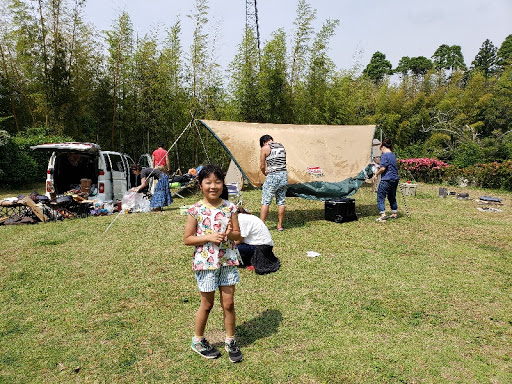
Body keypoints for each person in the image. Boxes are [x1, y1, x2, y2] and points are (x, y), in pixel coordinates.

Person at [183, 164, 243, 363]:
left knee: (229, 303)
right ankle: (198, 340)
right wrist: (209, 237)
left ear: (222, 184)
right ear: (200, 185)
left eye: (217, 182)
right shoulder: (195, 210)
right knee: (207, 304)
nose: (213, 186)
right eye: (208, 182)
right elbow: (187, 239)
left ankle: (230, 340)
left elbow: (238, 236)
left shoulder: (230, 207)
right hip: (205, 263)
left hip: (227, 260)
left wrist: (229, 234)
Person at [235, 207, 279, 274]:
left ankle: (251, 261)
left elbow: (238, 241)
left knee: (234, 248)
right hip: (261, 246)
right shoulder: (243, 217)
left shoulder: (241, 219)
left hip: (261, 247)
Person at [259, 135, 288, 231]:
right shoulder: (281, 146)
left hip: (273, 176)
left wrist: (264, 173)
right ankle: (279, 225)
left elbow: (262, 166)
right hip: (283, 175)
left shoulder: (265, 148)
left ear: (263, 142)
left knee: (266, 201)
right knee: (281, 201)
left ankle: (261, 225)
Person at [371, 138, 399, 222]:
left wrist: (376, 174)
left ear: (383, 147)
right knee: (392, 196)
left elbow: (383, 168)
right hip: (395, 179)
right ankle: (394, 213)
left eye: (381, 150)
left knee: (380, 196)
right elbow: (388, 166)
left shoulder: (384, 155)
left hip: (387, 179)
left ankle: (383, 215)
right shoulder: (392, 155)